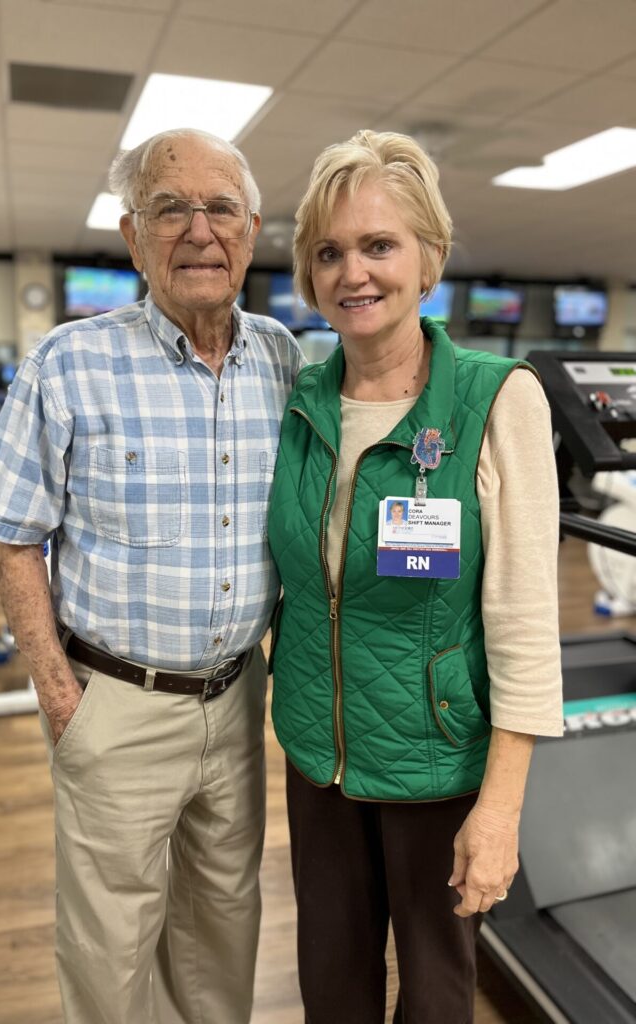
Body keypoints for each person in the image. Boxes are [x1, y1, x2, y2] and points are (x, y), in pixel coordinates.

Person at [0, 128, 304, 1024]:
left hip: (237, 702)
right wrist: (58, 695)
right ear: (132, 236)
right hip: (113, 703)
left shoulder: (285, 362)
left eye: (220, 207)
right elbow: (10, 536)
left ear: (253, 228)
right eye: (170, 208)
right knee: (109, 951)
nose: (200, 230)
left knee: (225, 927)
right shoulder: (70, 364)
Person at [266, 130, 563, 1024]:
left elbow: (522, 620)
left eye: (378, 245)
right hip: (319, 761)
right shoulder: (302, 404)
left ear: (428, 261)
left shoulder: (495, 398)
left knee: (435, 996)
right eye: (329, 252)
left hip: (439, 763)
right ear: (309, 277)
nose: (353, 273)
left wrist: (501, 812)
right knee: (332, 988)